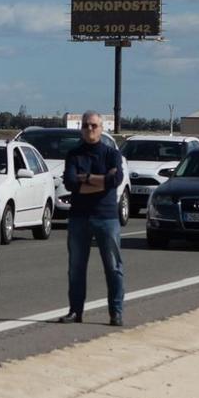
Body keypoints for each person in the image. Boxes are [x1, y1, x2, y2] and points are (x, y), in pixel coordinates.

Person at [59, 112, 126, 326]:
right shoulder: (74, 154)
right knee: (76, 267)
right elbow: (70, 183)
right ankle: (75, 311)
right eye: (86, 126)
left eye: (94, 125)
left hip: (106, 218)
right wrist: (101, 181)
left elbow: (115, 179)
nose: (90, 129)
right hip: (79, 217)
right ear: (81, 128)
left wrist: (86, 179)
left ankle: (116, 312)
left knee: (113, 267)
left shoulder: (111, 154)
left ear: (102, 127)